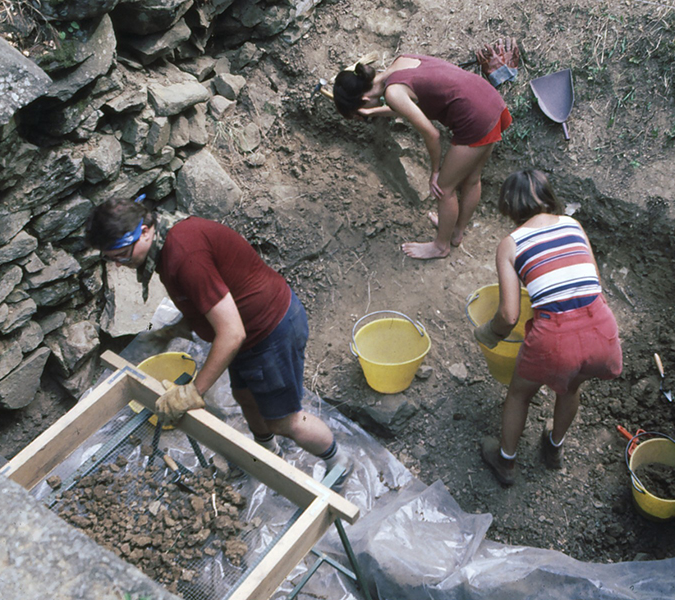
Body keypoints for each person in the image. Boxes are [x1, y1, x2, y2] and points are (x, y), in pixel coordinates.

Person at [85, 197, 353, 488]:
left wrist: (193, 391)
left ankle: (339, 462)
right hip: (249, 335)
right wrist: (173, 330)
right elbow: (206, 301)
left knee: (284, 421)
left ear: (146, 230)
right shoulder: (166, 244)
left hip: (269, 331)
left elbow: (232, 333)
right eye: (112, 259)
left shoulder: (184, 256)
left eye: (122, 255)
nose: (121, 265)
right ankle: (266, 452)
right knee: (246, 399)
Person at [474, 170, 623, 486]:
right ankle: (554, 448)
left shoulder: (510, 244)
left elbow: (510, 314)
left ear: (509, 207)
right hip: (601, 328)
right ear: (547, 196)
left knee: (519, 394)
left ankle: (506, 463)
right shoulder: (572, 224)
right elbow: (594, 283)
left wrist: (488, 333)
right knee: (571, 387)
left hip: (555, 338)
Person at [333, 53, 512, 259]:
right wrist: (372, 113)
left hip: (475, 119)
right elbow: (405, 107)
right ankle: (456, 231)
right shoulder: (400, 62)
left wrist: (435, 171)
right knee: (471, 178)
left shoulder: (392, 93)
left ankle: (441, 247)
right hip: (488, 101)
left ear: (364, 100)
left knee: (444, 189)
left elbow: (432, 134)